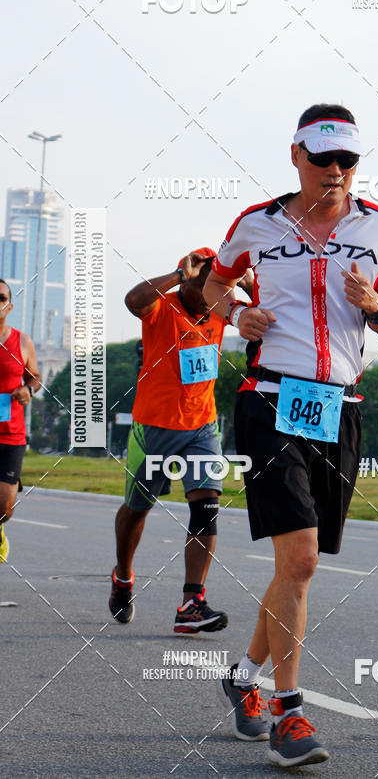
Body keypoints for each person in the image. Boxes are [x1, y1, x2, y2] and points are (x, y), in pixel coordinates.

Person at [205, 104, 378, 767]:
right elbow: (214, 285)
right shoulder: (256, 225)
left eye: (348, 160)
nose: (337, 172)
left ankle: (242, 677)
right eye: (325, 160)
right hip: (270, 399)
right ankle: (289, 716)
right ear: (296, 155)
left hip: (338, 405)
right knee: (302, 561)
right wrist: (239, 311)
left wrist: (374, 306)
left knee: (297, 565)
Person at [109, 249, 251, 632]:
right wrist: (176, 274)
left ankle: (192, 603)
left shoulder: (223, 308)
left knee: (206, 508)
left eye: (218, 285)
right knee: (137, 509)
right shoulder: (164, 307)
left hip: (202, 426)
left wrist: (250, 283)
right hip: (154, 427)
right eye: (205, 283)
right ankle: (123, 576)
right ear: (188, 282)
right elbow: (132, 301)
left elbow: (271, 314)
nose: (213, 292)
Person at [0, 279, 42, 562]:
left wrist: (28, 389)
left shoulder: (22, 341)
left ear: (9, 306)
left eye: (0, 297)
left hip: (12, 434)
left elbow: (35, 376)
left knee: (5, 509)